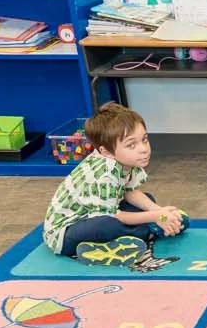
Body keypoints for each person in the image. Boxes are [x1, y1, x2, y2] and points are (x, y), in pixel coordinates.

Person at [41, 102, 187, 272]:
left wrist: (160, 211)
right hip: (66, 235)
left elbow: (129, 192)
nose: (143, 149)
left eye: (144, 140)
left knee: (148, 198)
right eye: (131, 145)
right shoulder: (104, 173)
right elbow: (112, 216)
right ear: (107, 152)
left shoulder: (127, 158)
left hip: (100, 213)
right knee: (107, 225)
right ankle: (140, 234)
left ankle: (145, 230)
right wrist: (156, 216)